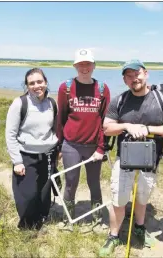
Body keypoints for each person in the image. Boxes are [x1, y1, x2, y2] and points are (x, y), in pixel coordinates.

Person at [99, 59, 163, 256]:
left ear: (146, 74)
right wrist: (127, 126)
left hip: (150, 160)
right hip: (124, 158)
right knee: (119, 198)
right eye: (129, 75)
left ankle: (139, 227)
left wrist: (148, 129)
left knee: (142, 197)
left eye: (137, 73)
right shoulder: (119, 101)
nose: (134, 78)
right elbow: (107, 128)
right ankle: (113, 235)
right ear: (125, 79)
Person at [56, 48, 111, 224]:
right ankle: (67, 218)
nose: (84, 67)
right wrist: (59, 146)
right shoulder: (66, 88)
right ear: (75, 66)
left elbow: (106, 121)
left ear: (94, 66)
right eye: (81, 64)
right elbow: (61, 118)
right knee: (70, 182)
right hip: (71, 145)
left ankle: (97, 218)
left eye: (88, 64)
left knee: (94, 182)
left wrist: (102, 148)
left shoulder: (102, 89)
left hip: (93, 147)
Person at [5, 68, 58, 230]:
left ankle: (41, 219)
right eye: (32, 83)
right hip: (26, 156)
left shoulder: (51, 103)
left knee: (43, 193)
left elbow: (54, 129)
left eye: (39, 81)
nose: (36, 86)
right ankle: (27, 227)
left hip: (48, 156)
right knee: (27, 194)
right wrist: (17, 161)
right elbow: (10, 134)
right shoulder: (20, 103)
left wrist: (58, 150)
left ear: (46, 82)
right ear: (27, 86)